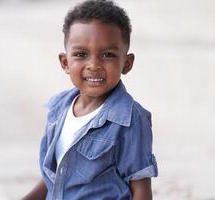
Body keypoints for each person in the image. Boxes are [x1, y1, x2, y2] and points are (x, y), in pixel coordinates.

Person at [22, 0, 158, 199]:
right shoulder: (58, 109)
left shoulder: (130, 119)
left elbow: (141, 188)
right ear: (65, 62)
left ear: (126, 64)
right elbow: (54, 175)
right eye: (81, 54)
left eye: (107, 55)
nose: (93, 65)